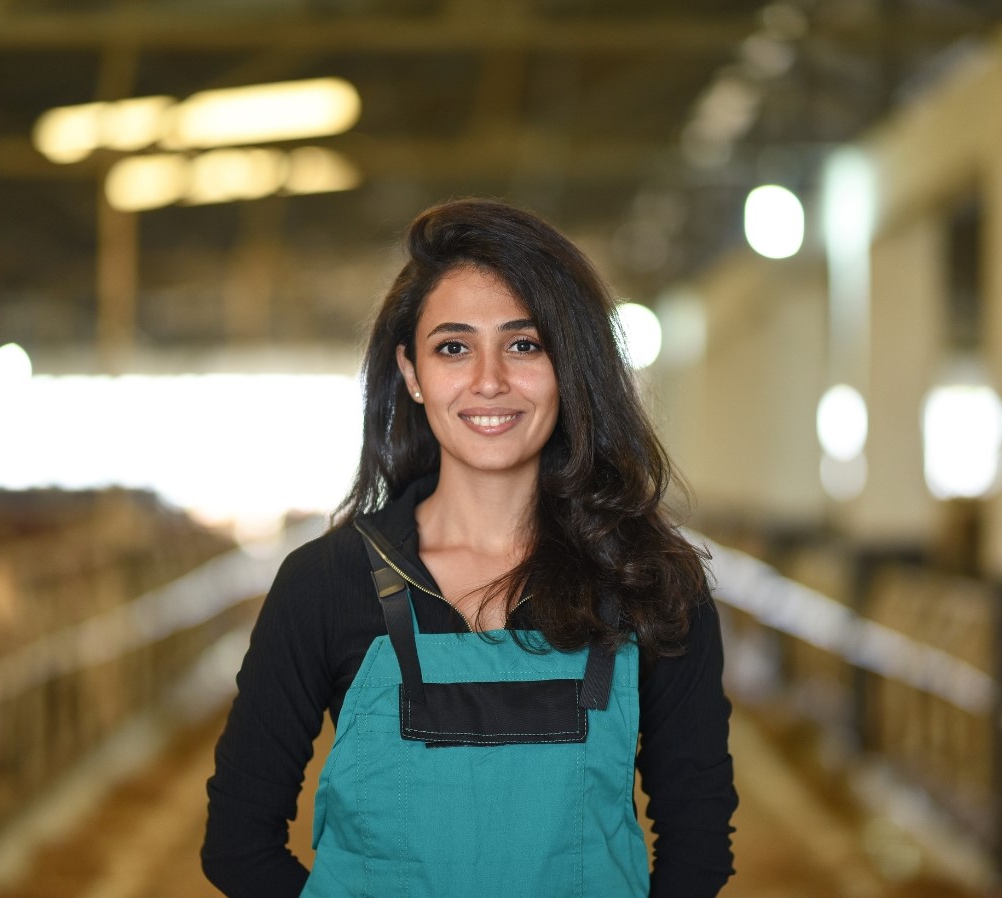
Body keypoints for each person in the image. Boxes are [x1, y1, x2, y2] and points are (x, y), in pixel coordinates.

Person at [202, 198, 737, 897]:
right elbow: (238, 841)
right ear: (413, 373)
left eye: (525, 344)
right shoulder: (328, 583)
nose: (490, 380)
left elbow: (697, 845)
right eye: (453, 347)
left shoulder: (646, 582)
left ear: (570, 366)